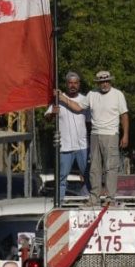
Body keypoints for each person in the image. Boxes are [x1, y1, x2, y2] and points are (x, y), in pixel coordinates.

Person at [46, 71, 90, 201]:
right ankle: (59, 203)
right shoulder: (57, 99)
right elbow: (47, 118)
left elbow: (89, 123)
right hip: (64, 147)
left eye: (75, 83)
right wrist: (53, 113)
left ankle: (88, 201)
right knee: (61, 178)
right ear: (66, 84)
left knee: (88, 176)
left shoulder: (84, 100)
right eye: (70, 83)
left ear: (79, 84)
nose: (73, 85)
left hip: (82, 146)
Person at [85, 70, 129, 197]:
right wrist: (62, 98)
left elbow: (124, 115)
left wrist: (125, 135)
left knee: (111, 167)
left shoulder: (118, 94)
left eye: (106, 81)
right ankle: (94, 196)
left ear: (110, 81)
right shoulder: (91, 94)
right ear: (98, 83)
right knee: (94, 167)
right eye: (101, 82)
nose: (104, 84)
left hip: (111, 134)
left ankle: (110, 197)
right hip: (95, 134)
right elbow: (78, 107)